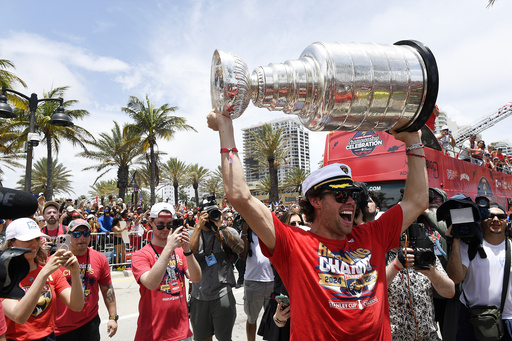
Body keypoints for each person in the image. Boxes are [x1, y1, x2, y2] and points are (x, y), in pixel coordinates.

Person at [206, 108, 428, 340]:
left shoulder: (374, 234)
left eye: (352, 193)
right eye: (341, 195)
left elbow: (418, 200)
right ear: (315, 200)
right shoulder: (293, 244)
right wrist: (225, 128)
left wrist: (413, 139)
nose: (351, 201)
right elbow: (239, 195)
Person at [1, 218, 84, 341]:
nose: (34, 244)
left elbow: (77, 306)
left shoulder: (50, 271)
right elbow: (19, 316)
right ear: (12, 243)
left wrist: (75, 273)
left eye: (36, 239)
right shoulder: (4, 276)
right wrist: (43, 274)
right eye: (27, 239)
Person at [131, 202, 201, 341]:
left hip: (182, 332)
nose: (165, 229)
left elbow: (196, 277)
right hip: (153, 334)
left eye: (169, 225)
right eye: (160, 224)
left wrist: (187, 250)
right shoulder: (141, 255)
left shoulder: (180, 252)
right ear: (150, 222)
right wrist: (168, 248)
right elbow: (151, 283)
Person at [447, 202, 512, 341]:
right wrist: (456, 239)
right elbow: (455, 278)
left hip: (507, 319)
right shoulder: (468, 247)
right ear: (481, 221)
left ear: (506, 221)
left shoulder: (511, 247)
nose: (495, 220)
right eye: (490, 216)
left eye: (500, 216)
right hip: (473, 320)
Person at [385, 230, 455, 341]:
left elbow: (450, 292)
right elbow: (374, 290)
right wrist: (396, 265)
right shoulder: (383, 256)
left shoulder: (424, 254)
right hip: (394, 337)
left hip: (428, 337)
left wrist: (433, 273)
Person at [55, 219, 118, 340]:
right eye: (77, 234)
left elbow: (107, 289)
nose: (82, 238)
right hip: (61, 327)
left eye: (86, 234)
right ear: (68, 236)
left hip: (89, 323)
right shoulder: (56, 260)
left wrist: (112, 317)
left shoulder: (99, 258)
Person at [189, 206, 245, 341]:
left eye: (214, 213)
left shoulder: (226, 231)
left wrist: (221, 225)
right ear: (199, 214)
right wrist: (198, 227)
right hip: (199, 295)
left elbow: (241, 249)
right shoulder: (192, 234)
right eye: (207, 214)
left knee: (224, 338)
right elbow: (188, 253)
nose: (210, 217)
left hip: (222, 292)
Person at [257, 211, 305, 341]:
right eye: (292, 223)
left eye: (300, 223)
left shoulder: (309, 249)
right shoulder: (279, 249)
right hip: (282, 310)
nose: (297, 226)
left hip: (304, 311)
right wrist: (278, 318)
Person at [239, 219, 274, 341]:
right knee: (251, 319)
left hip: (272, 282)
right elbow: (242, 254)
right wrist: (244, 230)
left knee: (273, 319)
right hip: (253, 282)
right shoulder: (246, 234)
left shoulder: (269, 233)